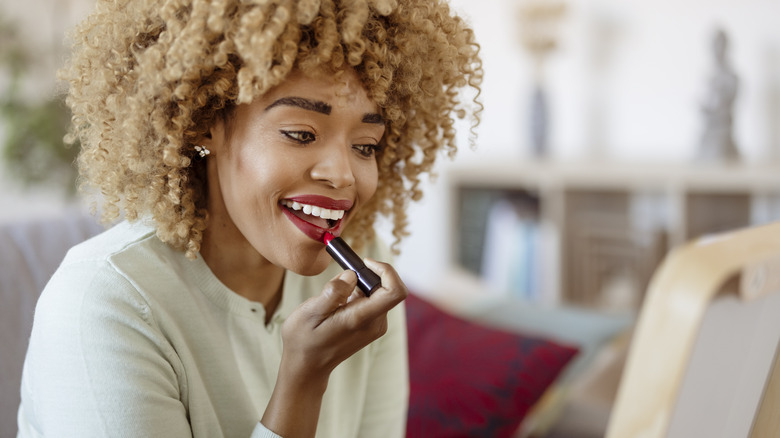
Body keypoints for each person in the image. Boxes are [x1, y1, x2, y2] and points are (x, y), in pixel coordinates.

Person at [17, 0, 482, 437]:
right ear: (204, 122)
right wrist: (303, 381)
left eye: (365, 146)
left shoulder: (363, 274)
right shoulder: (104, 303)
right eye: (301, 133)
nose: (343, 176)